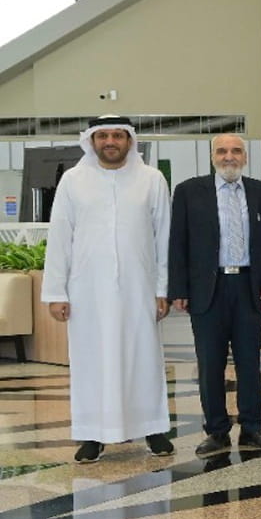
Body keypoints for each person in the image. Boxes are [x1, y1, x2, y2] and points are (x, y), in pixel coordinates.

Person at [43, 116, 173, 463]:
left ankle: (153, 427)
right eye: (103, 136)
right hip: (87, 291)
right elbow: (60, 237)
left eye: (118, 135)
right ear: (92, 141)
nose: (110, 141)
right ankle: (91, 434)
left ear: (130, 141)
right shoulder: (73, 181)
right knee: (90, 361)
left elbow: (164, 238)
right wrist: (56, 292)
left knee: (144, 359)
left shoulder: (151, 179)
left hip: (139, 288)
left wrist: (162, 289)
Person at [167, 133, 261, 454]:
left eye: (235, 151)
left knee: (249, 362)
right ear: (212, 157)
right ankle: (216, 431)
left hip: (248, 288)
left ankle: (253, 428)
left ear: (245, 157)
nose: (228, 156)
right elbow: (177, 243)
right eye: (221, 151)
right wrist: (178, 288)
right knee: (210, 363)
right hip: (208, 289)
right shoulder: (189, 192)